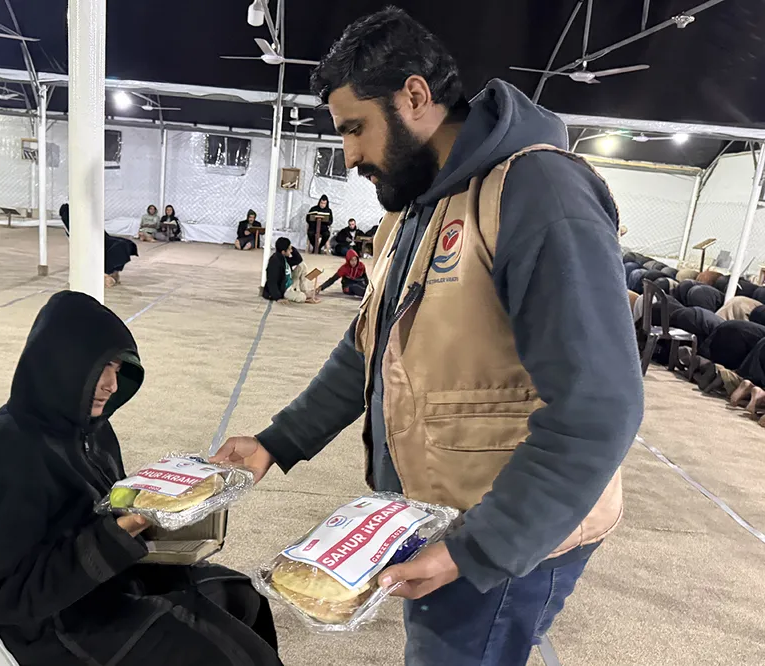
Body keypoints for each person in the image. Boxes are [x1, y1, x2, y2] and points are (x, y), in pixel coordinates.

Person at [212, 9, 642, 666]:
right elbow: (367, 347)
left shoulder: (538, 191)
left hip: (506, 528)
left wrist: (477, 548)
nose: (349, 153)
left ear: (415, 97)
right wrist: (279, 441)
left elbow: (599, 409)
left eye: (356, 128)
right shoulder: (421, 204)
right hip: (437, 515)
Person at [0, 291, 282, 666]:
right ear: (62, 364)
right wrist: (119, 533)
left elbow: (105, 509)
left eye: (117, 369)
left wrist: (164, 503)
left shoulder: (87, 430)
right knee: (234, 656)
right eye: (100, 369)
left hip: (104, 583)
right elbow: (4, 595)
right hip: (51, 625)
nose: (112, 385)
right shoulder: (4, 456)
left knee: (244, 597)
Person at [59, 203, 136, 288]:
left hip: (99, 239)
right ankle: (109, 275)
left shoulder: (80, 219)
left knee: (120, 245)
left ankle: (111, 274)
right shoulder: (74, 222)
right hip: (94, 241)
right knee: (119, 246)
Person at [263, 237, 318, 304]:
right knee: (302, 297)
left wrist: (290, 246)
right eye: (289, 249)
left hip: (289, 282)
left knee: (302, 265)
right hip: (283, 289)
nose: (291, 251)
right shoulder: (274, 262)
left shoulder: (283, 257)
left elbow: (299, 260)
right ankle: (303, 296)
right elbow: (272, 282)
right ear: (283, 252)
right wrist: (278, 298)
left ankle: (304, 291)